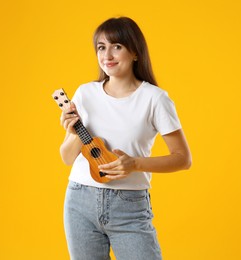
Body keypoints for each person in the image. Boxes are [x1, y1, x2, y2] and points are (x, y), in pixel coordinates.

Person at [59, 17, 192, 260]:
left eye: (117, 46)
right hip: (79, 200)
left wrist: (135, 164)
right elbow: (67, 158)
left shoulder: (155, 99)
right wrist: (74, 130)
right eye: (101, 47)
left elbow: (183, 159)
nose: (107, 55)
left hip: (129, 205)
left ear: (135, 52)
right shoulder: (85, 93)